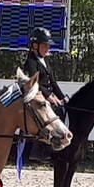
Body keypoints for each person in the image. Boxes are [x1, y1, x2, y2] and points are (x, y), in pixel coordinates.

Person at [22, 27, 67, 163]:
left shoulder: (45, 61)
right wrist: (48, 97)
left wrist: (62, 96)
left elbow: (52, 81)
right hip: (35, 95)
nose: (48, 48)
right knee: (45, 117)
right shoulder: (31, 62)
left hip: (47, 95)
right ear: (35, 45)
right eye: (45, 45)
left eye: (48, 45)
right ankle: (39, 150)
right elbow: (34, 82)